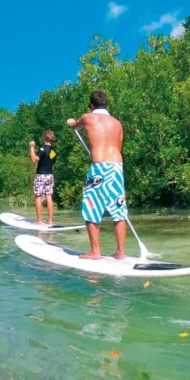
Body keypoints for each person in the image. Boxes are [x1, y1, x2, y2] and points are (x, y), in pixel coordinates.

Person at [66, 90, 127, 260]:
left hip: (100, 166)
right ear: (106, 104)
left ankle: (95, 251)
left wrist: (71, 122)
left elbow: (74, 125)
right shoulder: (117, 123)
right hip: (117, 165)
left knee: (91, 206)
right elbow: (119, 146)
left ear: (91, 105)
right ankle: (121, 252)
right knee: (118, 208)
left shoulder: (88, 117)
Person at [29, 131, 57, 225]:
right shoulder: (54, 151)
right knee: (49, 197)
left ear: (44, 138)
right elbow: (52, 163)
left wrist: (32, 148)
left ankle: (39, 220)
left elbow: (34, 160)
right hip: (49, 175)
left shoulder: (42, 149)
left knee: (38, 197)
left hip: (41, 175)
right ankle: (49, 220)